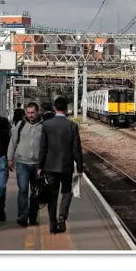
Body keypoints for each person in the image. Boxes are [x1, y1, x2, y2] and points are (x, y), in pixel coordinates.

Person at [38, 96, 83, 234]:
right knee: (67, 191)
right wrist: (80, 167)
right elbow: (77, 149)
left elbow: (43, 147)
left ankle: (52, 224)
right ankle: (62, 216)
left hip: (50, 166)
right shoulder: (72, 126)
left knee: (52, 194)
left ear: (55, 108)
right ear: (66, 108)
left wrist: (40, 166)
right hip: (66, 165)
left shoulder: (46, 125)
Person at [8, 101, 43, 228]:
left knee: (35, 192)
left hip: (37, 165)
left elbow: (47, 146)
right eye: (28, 113)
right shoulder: (21, 125)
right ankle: (22, 215)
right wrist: (9, 158)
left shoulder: (43, 126)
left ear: (37, 112)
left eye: (33, 112)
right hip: (22, 163)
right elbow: (13, 141)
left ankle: (32, 217)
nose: (30, 115)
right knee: (23, 190)